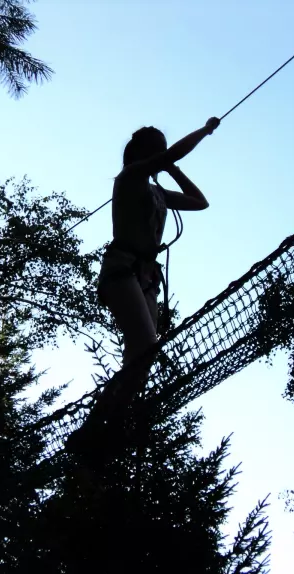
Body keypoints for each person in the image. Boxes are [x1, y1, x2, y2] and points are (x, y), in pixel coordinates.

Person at [83, 117, 220, 442]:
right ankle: (100, 423)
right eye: (156, 150)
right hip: (122, 269)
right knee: (145, 344)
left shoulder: (158, 193)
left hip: (146, 277)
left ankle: (109, 423)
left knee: (142, 354)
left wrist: (172, 168)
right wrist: (204, 131)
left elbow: (200, 202)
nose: (162, 154)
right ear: (141, 153)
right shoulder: (129, 178)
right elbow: (172, 157)